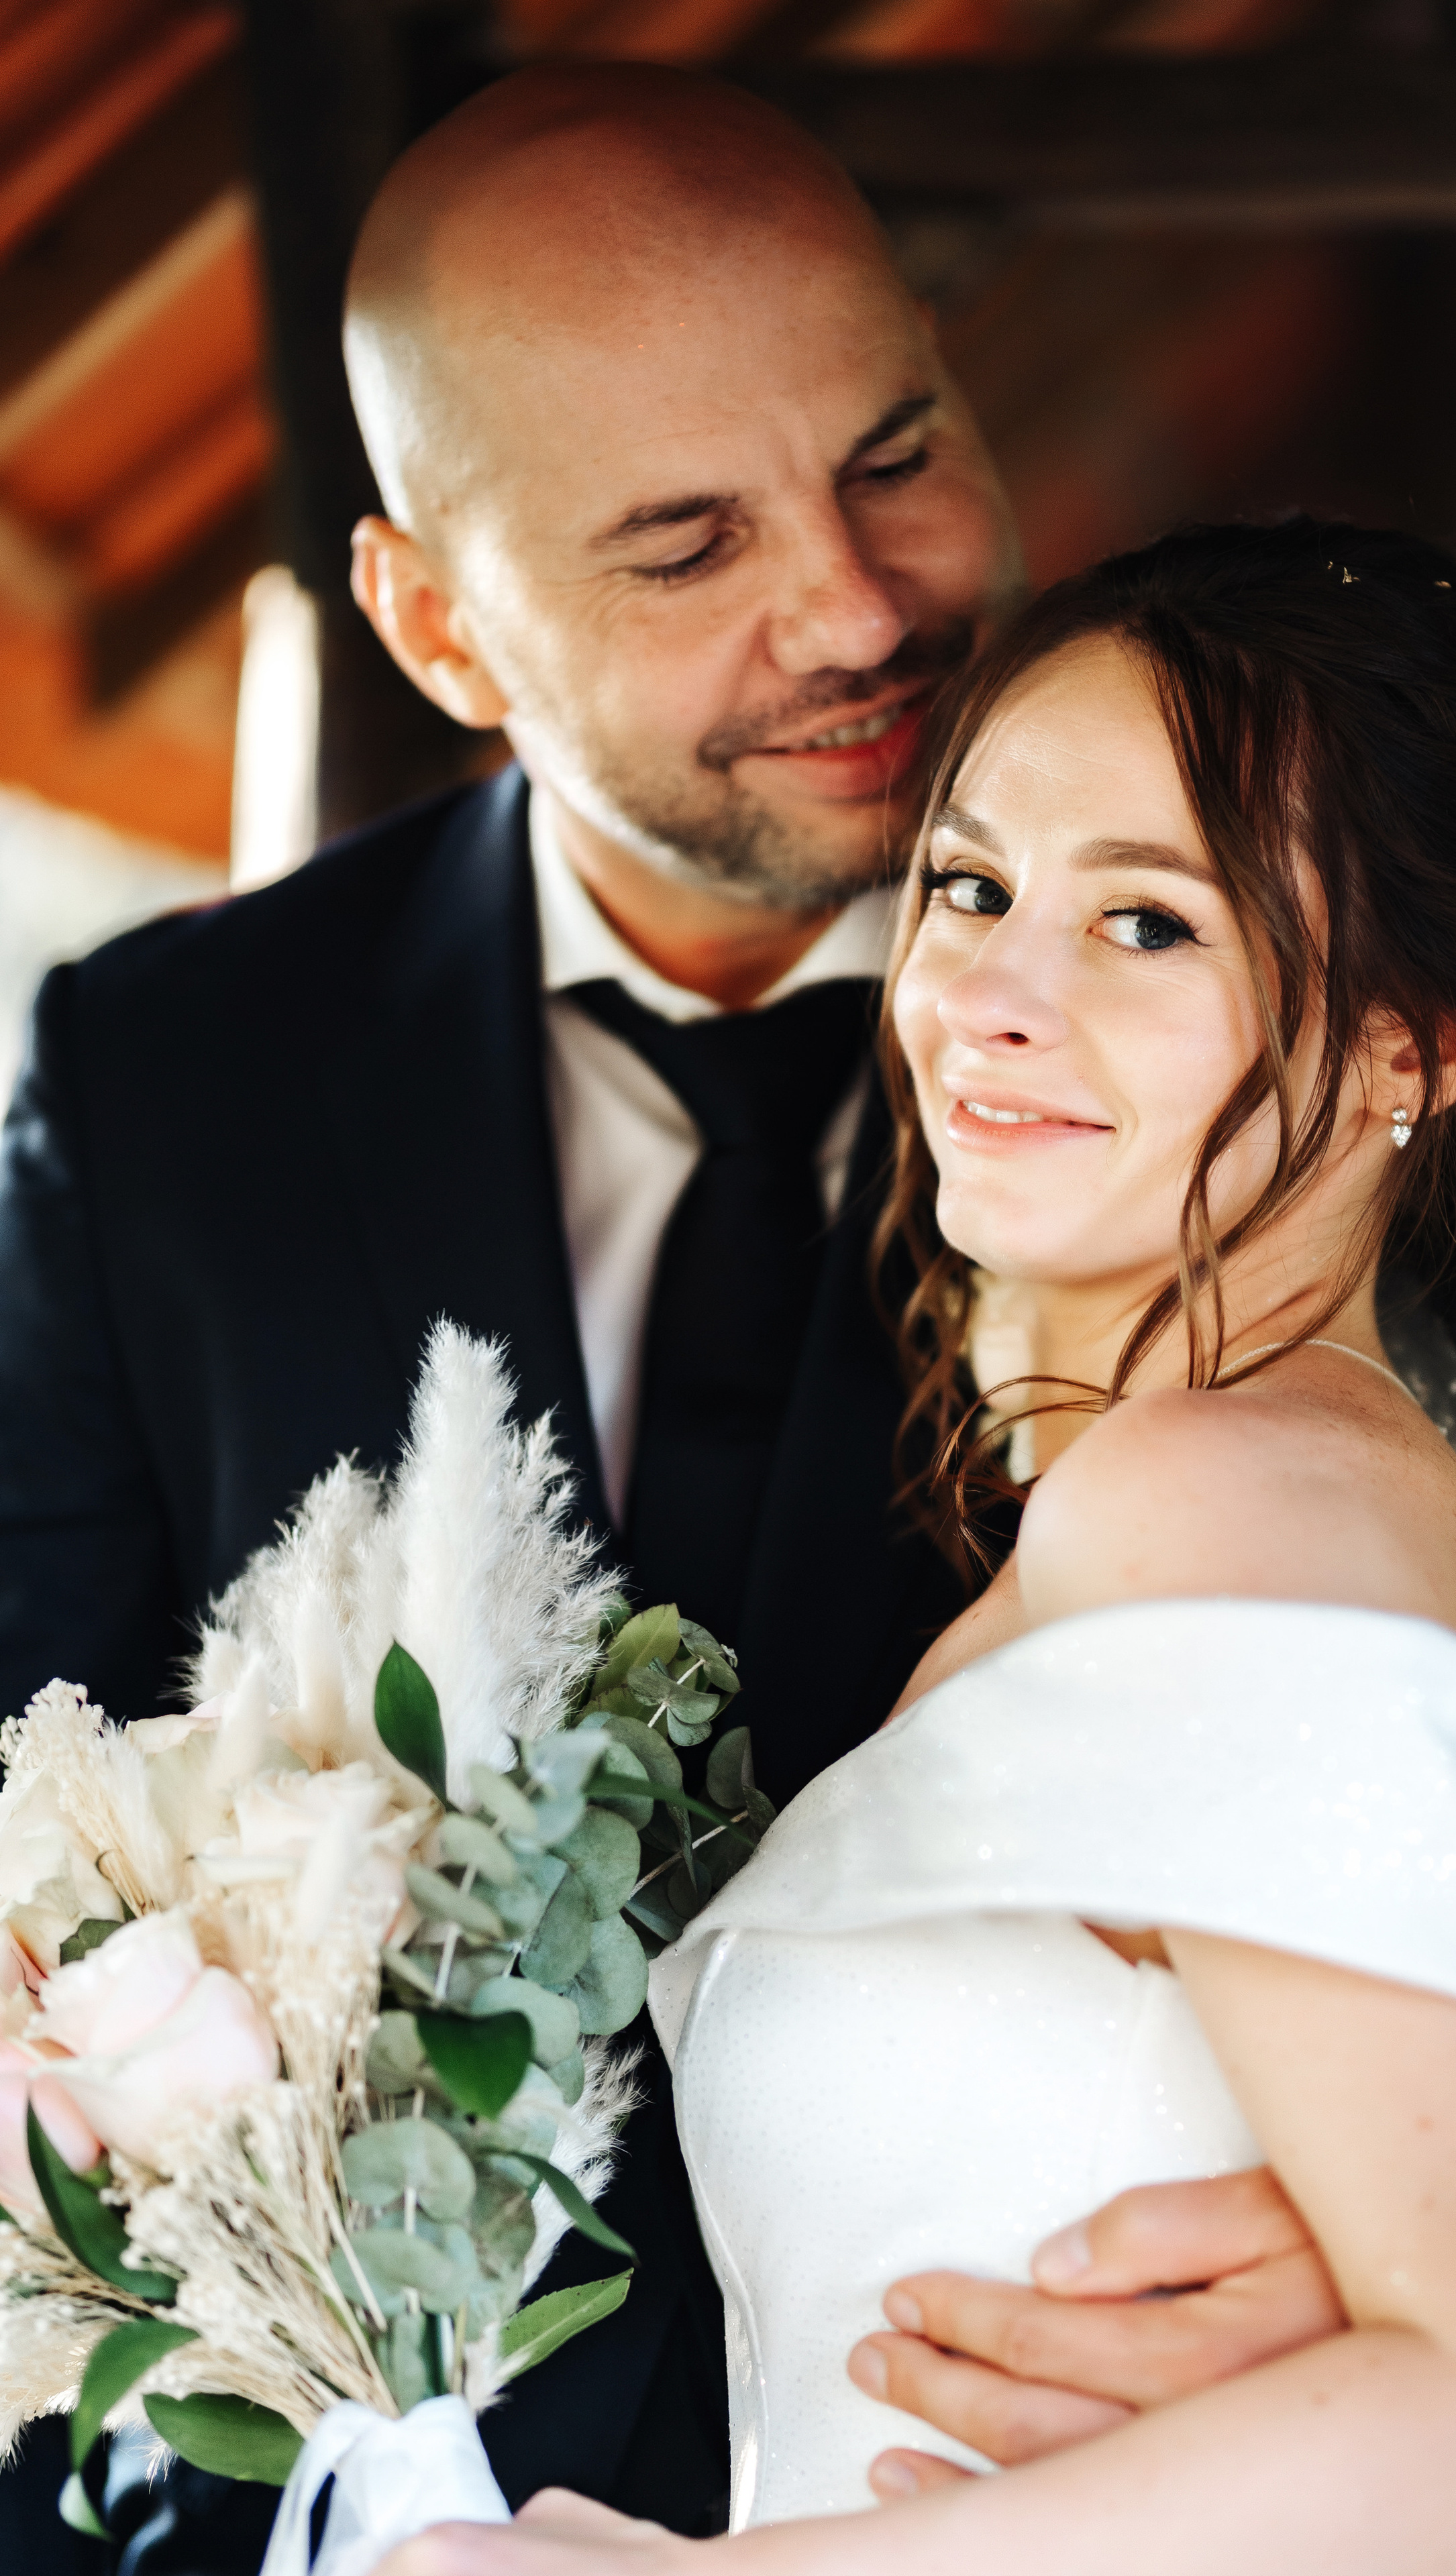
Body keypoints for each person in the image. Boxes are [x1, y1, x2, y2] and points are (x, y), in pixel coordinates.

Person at [0, 67, 1350, 2571]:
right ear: (436, 620)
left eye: (895, 450)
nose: (852, 608)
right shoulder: (161, 1079)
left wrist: (1421, 2227)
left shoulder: (1307, 1018)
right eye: (682, 540)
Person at [364, 519, 1456, 2576]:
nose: (985, 995)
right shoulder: (1190, 1501)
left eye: (1150, 925)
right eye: (969, 887)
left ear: (1423, 1041)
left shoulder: (1221, 1503)